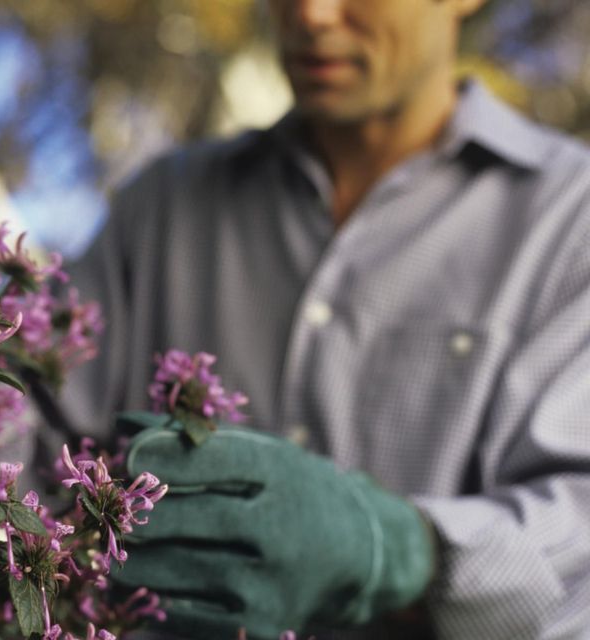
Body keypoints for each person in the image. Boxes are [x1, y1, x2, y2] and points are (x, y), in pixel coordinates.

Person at [60, 0, 590, 637]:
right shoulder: (162, 210)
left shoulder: (570, 223)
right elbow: (28, 446)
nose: (310, 15)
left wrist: (408, 551)